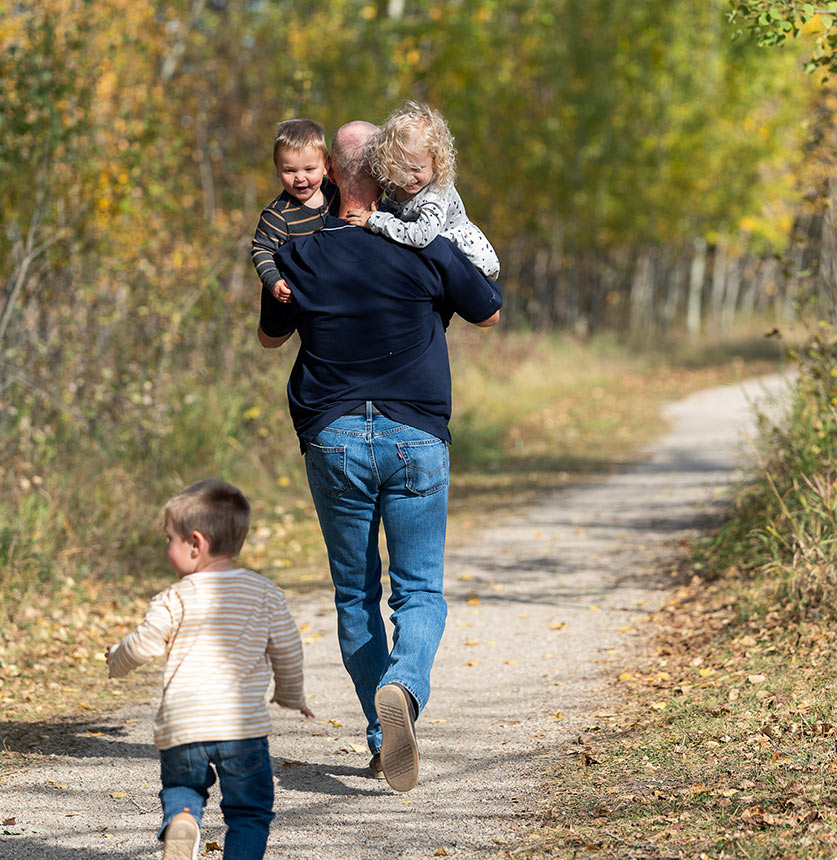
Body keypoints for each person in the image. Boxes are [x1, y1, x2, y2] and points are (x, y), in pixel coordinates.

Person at [257, 120, 502, 793]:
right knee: (419, 590)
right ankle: (403, 687)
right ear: (393, 172)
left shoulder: (301, 248)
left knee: (355, 593)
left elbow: (270, 337)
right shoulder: (425, 241)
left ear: (331, 173)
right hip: (415, 433)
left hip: (333, 436)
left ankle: (378, 731)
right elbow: (487, 312)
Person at [106, 479, 313, 860]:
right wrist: (290, 695)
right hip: (241, 727)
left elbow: (142, 645)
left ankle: (183, 820)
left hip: (183, 725)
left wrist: (115, 660)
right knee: (249, 812)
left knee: (184, 787)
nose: (167, 548)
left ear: (196, 544)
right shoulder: (264, 592)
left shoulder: (173, 598)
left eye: (170, 538)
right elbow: (287, 649)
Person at [343, 100, 499, 279]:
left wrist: (376, 220)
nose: (408, 177)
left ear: (435, 161)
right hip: (441, 260)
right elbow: (399, 210)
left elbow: (421, 236)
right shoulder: (397, 183)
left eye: (417, 169)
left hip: (471, 263)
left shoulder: (435, 194)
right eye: (400, 169)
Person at [250, 119, 340, 304]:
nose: (300, 178)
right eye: (289, 170)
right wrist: (274, 281)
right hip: (303, 292)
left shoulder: (336, 192)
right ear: (277, 170)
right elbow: (262, 250)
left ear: (326, 166)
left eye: (309, 169)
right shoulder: (277, 214)